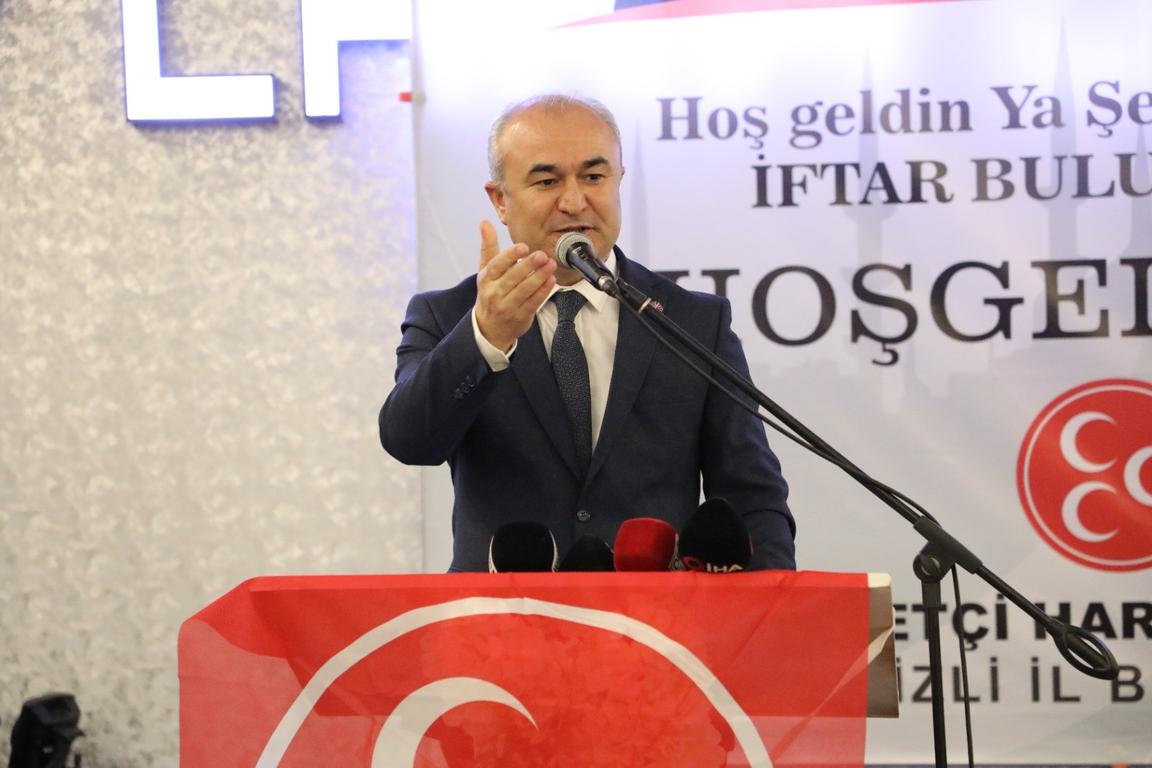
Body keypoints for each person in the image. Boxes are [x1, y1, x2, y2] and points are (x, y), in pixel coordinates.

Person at [380, 94, 795, 572]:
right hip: (502, 613)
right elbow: (409, 441)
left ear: (619, 180)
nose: (574, 201)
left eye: (594, 177)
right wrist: (486, 337)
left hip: (655, 614)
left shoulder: (693, 322)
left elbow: (751, 495)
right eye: (546, 181)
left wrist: (771, 606)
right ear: (500, 200)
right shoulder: (448, 316)